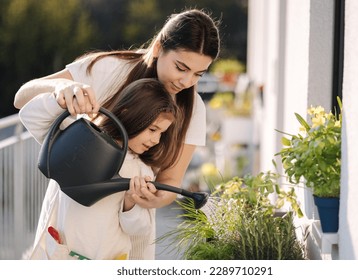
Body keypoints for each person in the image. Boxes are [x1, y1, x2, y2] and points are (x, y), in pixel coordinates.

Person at [14, 8, 221, 259]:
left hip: (123, 238)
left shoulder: (193, 109)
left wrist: (148, 200)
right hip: (70, 220)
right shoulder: (109, 68)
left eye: (198, 74)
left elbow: (170, 181)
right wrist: (62, 87)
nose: (186, 82)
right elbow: (21, 99)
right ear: (158, 48)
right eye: (181, 67)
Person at [19, 78, 179, 260]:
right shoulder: (81, 137)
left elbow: (140, 230)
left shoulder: (141, 171)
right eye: (153, 129)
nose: (157, 140)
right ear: (130, 113)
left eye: (162, 133)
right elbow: (29, 116)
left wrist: (130, 204)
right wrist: (60, 98)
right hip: (60, 254)